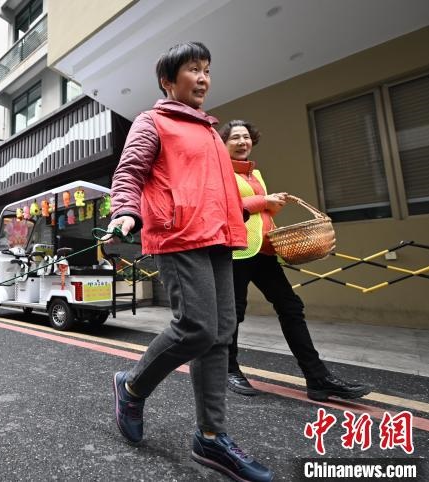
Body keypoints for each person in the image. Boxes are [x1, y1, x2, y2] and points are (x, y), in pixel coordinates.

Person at [106, 42, 273, 482]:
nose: (203, 78)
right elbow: (129, 172)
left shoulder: (211, 135)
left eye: (206, 70)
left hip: (218, 237)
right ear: (168, 81)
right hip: (179, 234)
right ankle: (133, 385)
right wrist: (124, 209)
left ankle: (212, 437)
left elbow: (218, 191)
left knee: (219, 334)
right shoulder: (153, 121)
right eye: (193, 70)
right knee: (196, 326)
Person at [219, 119, 371, 402]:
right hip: (236, 251)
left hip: (265, 251)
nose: (242, 142)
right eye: (235, 138)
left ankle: (317, 378)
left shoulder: (257, 175)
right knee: (234, 313)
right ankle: (229, 369)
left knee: (290, 307)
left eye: (246, 137)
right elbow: (227, 209)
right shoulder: (221, 172)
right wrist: (264, 201)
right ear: (224, 144)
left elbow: (259, 214)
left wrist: (270, 207)